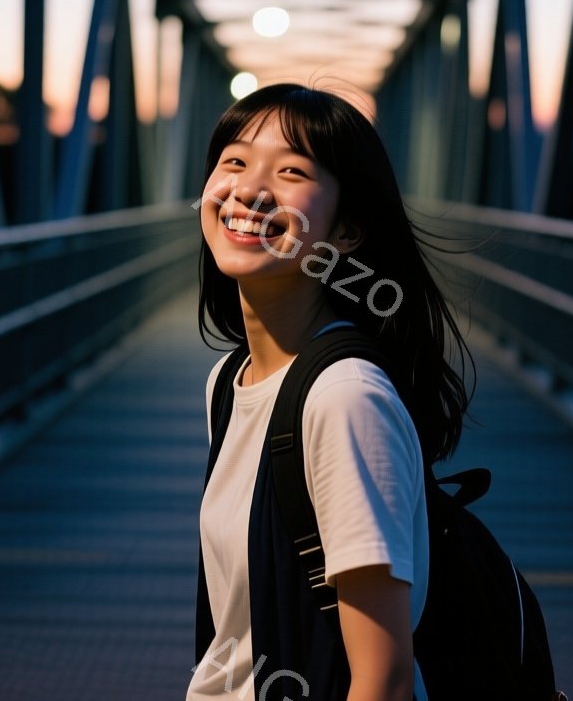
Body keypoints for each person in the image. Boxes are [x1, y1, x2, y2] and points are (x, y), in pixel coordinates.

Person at [187, 82, 473, 701]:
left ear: (346, 232)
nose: (248, 189)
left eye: (291, 171)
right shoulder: (229, 382)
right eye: (234, 161)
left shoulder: (345, 399)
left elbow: (383, 679)